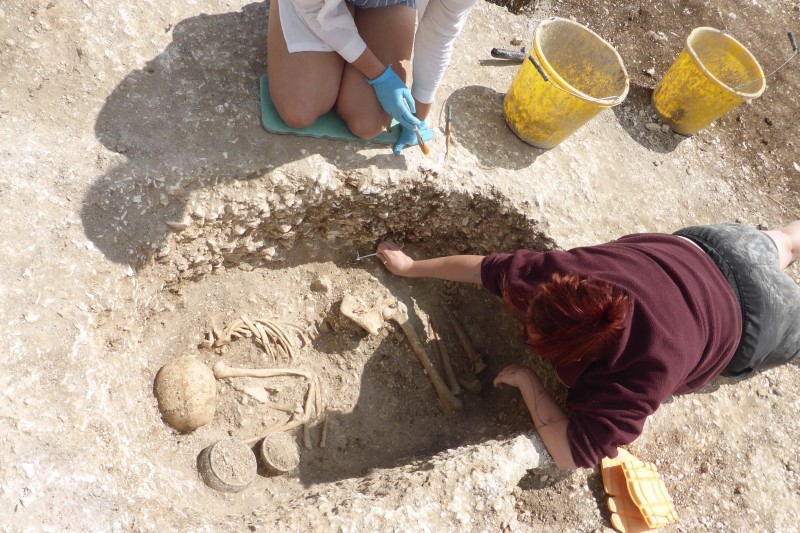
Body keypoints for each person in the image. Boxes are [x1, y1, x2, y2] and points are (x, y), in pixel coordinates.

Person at [375, 222, 800, 469]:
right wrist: (411, 268)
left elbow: (572, 452)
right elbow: (483, 270)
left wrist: (527, 382)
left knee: (783, 260)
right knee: (785, 242)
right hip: (710, 251)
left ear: (584, 356)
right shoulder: (562, 277)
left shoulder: (640, 372)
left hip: (751, 318)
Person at [267, 0, 477, 154]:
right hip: (314, 5)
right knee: (298, 110)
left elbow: (441, 30)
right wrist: (379, 75)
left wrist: (418, 115)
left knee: (368, 123)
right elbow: (314, 8)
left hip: (386, 4)